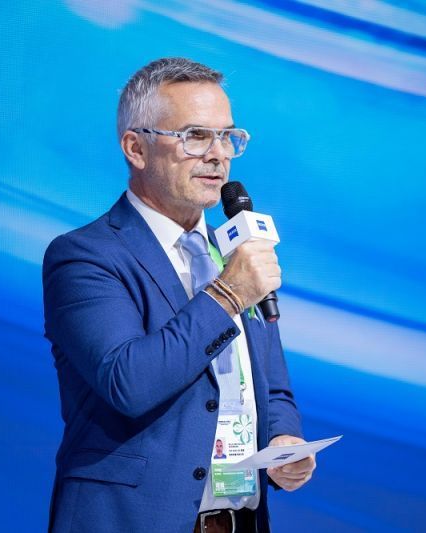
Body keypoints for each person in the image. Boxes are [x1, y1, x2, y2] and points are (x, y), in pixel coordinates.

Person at [43, 57, 316, 533]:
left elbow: (271, 385)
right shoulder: (86, 256)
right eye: (196, 136)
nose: (218, 154)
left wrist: (283, 439)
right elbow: (128, 382)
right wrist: (229, 294)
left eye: (227, 136)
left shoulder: (235, 251)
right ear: (136, 148)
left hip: (239, 521)